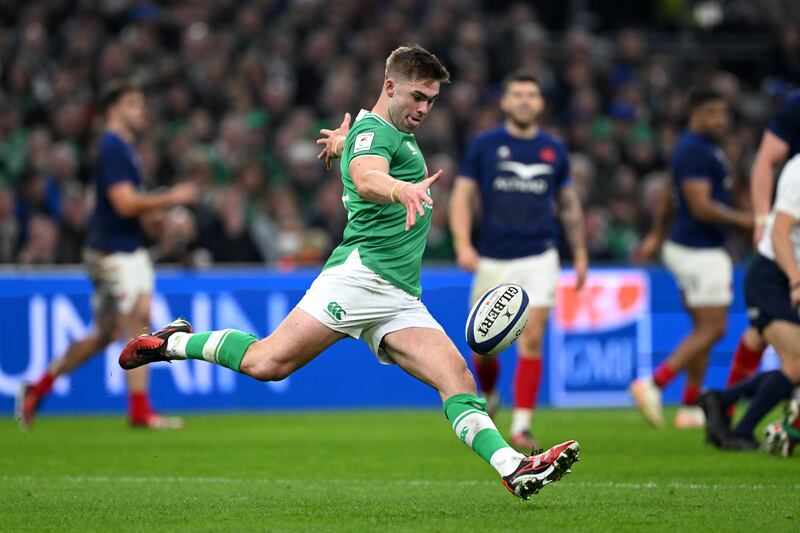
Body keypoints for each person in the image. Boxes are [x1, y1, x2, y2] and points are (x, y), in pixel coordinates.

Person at [119, 45, 579, 500]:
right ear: (390, 86)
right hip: (358, 279)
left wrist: (344, 144)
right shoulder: (379, 133)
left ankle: (513, 467)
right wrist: (398, 189)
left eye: (431, 100)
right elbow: (366, 176)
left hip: (398, 295)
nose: (424, 108)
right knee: (267, 363)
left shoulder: (375, 130)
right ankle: (171, 342)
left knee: (456, 376)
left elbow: (360, 153)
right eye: (417, 96)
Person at [16, 80, 197, 430]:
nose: (141, 110)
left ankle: (37, 388)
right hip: (112, 254)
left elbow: (130, 209)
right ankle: (140, 411)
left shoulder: (125, 150)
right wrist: (171, 197)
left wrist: (159, 223)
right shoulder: (111, 147)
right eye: (132, 103)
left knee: (106, 333)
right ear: (112, 110)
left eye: (141, 103)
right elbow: (125, 203)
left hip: (129, 250)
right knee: (136, 321)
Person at [448, 70, 587, 450]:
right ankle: (491, 396)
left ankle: (522, 425)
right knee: (483, 345)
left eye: (531, 94)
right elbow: (461, 196)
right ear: (505, 102)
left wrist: (579, 252)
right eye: (518, 94)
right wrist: (462, 243)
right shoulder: (484, 145)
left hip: (540, 255)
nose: (525, 101)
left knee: (533, 338)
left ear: (541, 104)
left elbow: (569, 205)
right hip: (492, 257)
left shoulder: (554, 149)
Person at [629, 89, 753, 428]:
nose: (720, 119)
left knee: (702, 328)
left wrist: (656, 234)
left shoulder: (694, 148)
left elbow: (670, 196)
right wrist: (749, 221)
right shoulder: (696, 149)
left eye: (723, 112)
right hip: (699, 250)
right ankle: (653, 384)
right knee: (715, 328)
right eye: (711, 111)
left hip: (686, 246)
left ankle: (690, 406)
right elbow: (700, 206)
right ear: (695, 114)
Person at [699, 153, 800, 452]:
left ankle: (720, 401)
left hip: (786, 276)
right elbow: (779, 231)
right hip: (773, 276)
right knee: (795, 364)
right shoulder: (798, 171)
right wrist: (795, 279)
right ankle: (741, 429)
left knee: (761, 346)